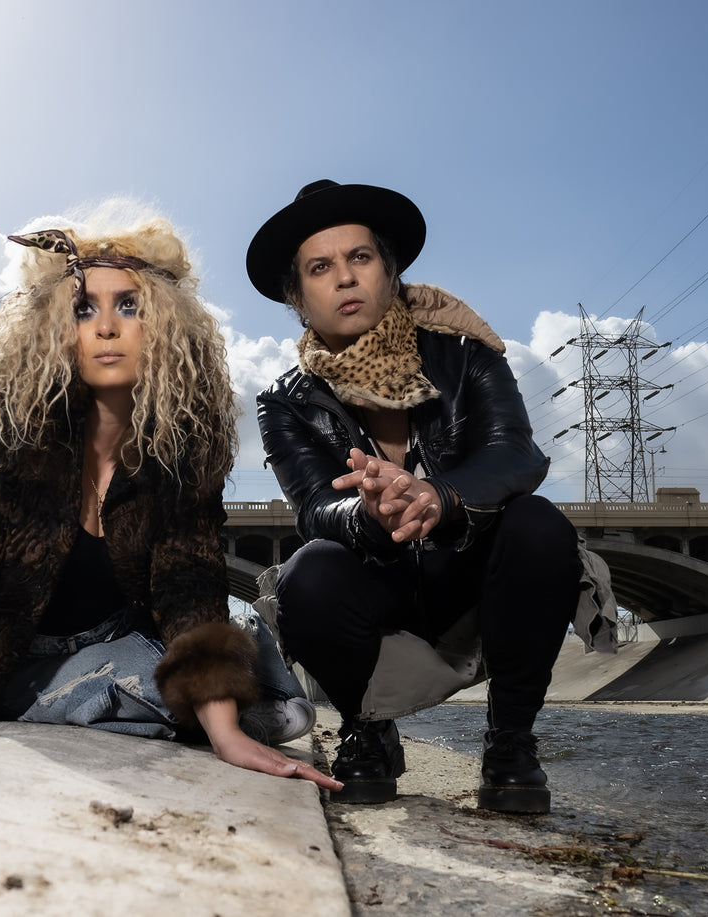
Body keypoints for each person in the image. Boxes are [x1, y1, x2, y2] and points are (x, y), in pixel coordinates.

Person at [0, 212, 338, 791]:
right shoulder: (1, 424)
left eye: (128, 306)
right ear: (53, 327)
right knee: (213, 694)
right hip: (18, 652)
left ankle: (122, 702)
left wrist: (225, 734)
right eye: (83, 309)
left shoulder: (183, 439)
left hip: (124, 636)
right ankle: (86, 696)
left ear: (166, 326)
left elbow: (187, 576)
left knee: (282, 705)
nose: (104, 328)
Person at [247, 180, 614, 811]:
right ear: (297, 299)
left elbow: (517, 454)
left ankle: (509, 744)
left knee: (538, 526)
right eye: (320, 268)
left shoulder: (467, 357)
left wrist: (438, 497)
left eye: (360, 258)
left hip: (470, 576)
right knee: (308, 573)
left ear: (389, 272)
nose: (344, 279)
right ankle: (367, 732)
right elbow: (313, 507)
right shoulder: (285, 401)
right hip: (377, 587)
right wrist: (366, 514)